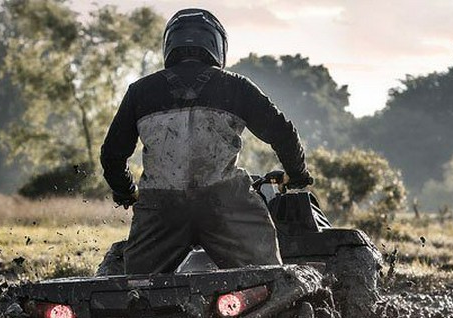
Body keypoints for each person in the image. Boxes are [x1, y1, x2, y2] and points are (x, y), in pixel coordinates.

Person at [100, 8, 313, 275]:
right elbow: (284, 133)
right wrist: (297, 175)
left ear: (170, 45)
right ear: (217, 45)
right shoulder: (236, 86)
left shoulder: (139, 91)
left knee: (139, 290)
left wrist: (126, 192)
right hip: (226, 203)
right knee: (266, 280)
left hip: (161, 209)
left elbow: (112, 155)